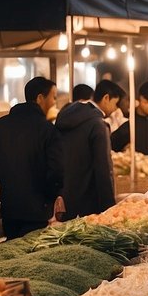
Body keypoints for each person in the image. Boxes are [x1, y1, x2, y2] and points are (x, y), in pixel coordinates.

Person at [0, 76, 63, 238]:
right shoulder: (47, 130)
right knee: (29, 256)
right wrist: (49, 198)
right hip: (37, 211)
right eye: (53, 97)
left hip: (9, 207)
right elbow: (55, 170)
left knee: (12, 252)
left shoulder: (0, 125)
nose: (54, 102)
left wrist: (9, 188)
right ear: (40, 98)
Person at [55, 80, 121, 218]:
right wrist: (109, 208)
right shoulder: (98, 125)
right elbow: (103, 168)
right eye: (115, 104)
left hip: (64, 194)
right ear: (106, 98)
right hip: (88, 202)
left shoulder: (65, 115)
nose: (115, 110)